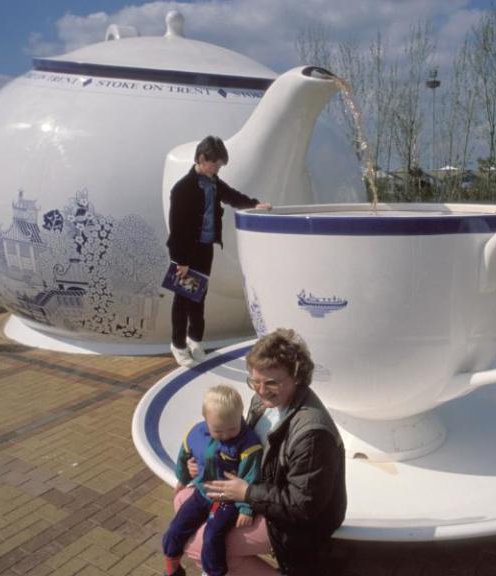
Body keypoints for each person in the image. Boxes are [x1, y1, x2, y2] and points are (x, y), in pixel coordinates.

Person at [190, 328, 347, 576]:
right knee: (184, 505)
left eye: (272, 382)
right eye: (255, 381)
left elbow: (304, 506)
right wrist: (204, 460)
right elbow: (241, 445)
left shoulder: (312, 434)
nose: (261, 390)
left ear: (297, 376)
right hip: (261, 498)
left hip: (298, 526)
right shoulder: (263, 403)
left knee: (199, 546)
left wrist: (248, 492)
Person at [166, 135, 271, 367]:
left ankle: (194, 341)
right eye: (216, 164)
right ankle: (178, 344)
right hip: (186, 254)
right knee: (182, 300)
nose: (218, 169)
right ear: (202, 159)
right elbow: (177, 228)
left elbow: (232, 196)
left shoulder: (213, 182)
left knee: (199, 297)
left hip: (205, 249)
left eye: (220, 166)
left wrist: (254, 204)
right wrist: (180, 260)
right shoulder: (183, 189)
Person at [162, 385, 263, 576]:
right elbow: (185, 456)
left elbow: (251, 476)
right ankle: (172, 566)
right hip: (203, 493)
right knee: (177, 527)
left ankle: (214, 572)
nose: (226, 435)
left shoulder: (248, 444)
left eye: (233, 428)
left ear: (240, 415)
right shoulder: (196, 434)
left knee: (212, 535)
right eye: (218, 430)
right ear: (205, 418)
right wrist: (183, 479)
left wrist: (245, 508)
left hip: (228, 500)